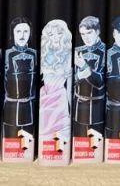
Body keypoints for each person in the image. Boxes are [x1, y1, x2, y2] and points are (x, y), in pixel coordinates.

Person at [38, 19, 72, 147]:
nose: (55, 38)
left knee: (60, 131)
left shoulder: (68, 55)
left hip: (59, 98)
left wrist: (70, 107)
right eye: (51, 35)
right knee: (45, 132)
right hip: (45, 96)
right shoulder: (44, 53)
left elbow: (69, 85)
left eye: (59, 33)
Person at [2, 19, 37, 142]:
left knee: (28, 142)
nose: (22, 35)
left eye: (26, 31)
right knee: (11, 141)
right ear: (12, 33)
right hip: (11, 108)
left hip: (29, 107)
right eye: (18, 31)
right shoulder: (6, 54)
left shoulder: (35, 53)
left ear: (30, 33)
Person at [73, 17, 106, 139]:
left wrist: (83, 66)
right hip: (79, 106)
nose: (85, 37)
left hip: (98, 107)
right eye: (82, 34)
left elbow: (100, 82)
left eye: (89, 33)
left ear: (97, 31)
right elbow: (71, 80)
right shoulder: (77, 51)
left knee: (95, 142)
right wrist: (79, 75)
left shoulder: (105, 50)